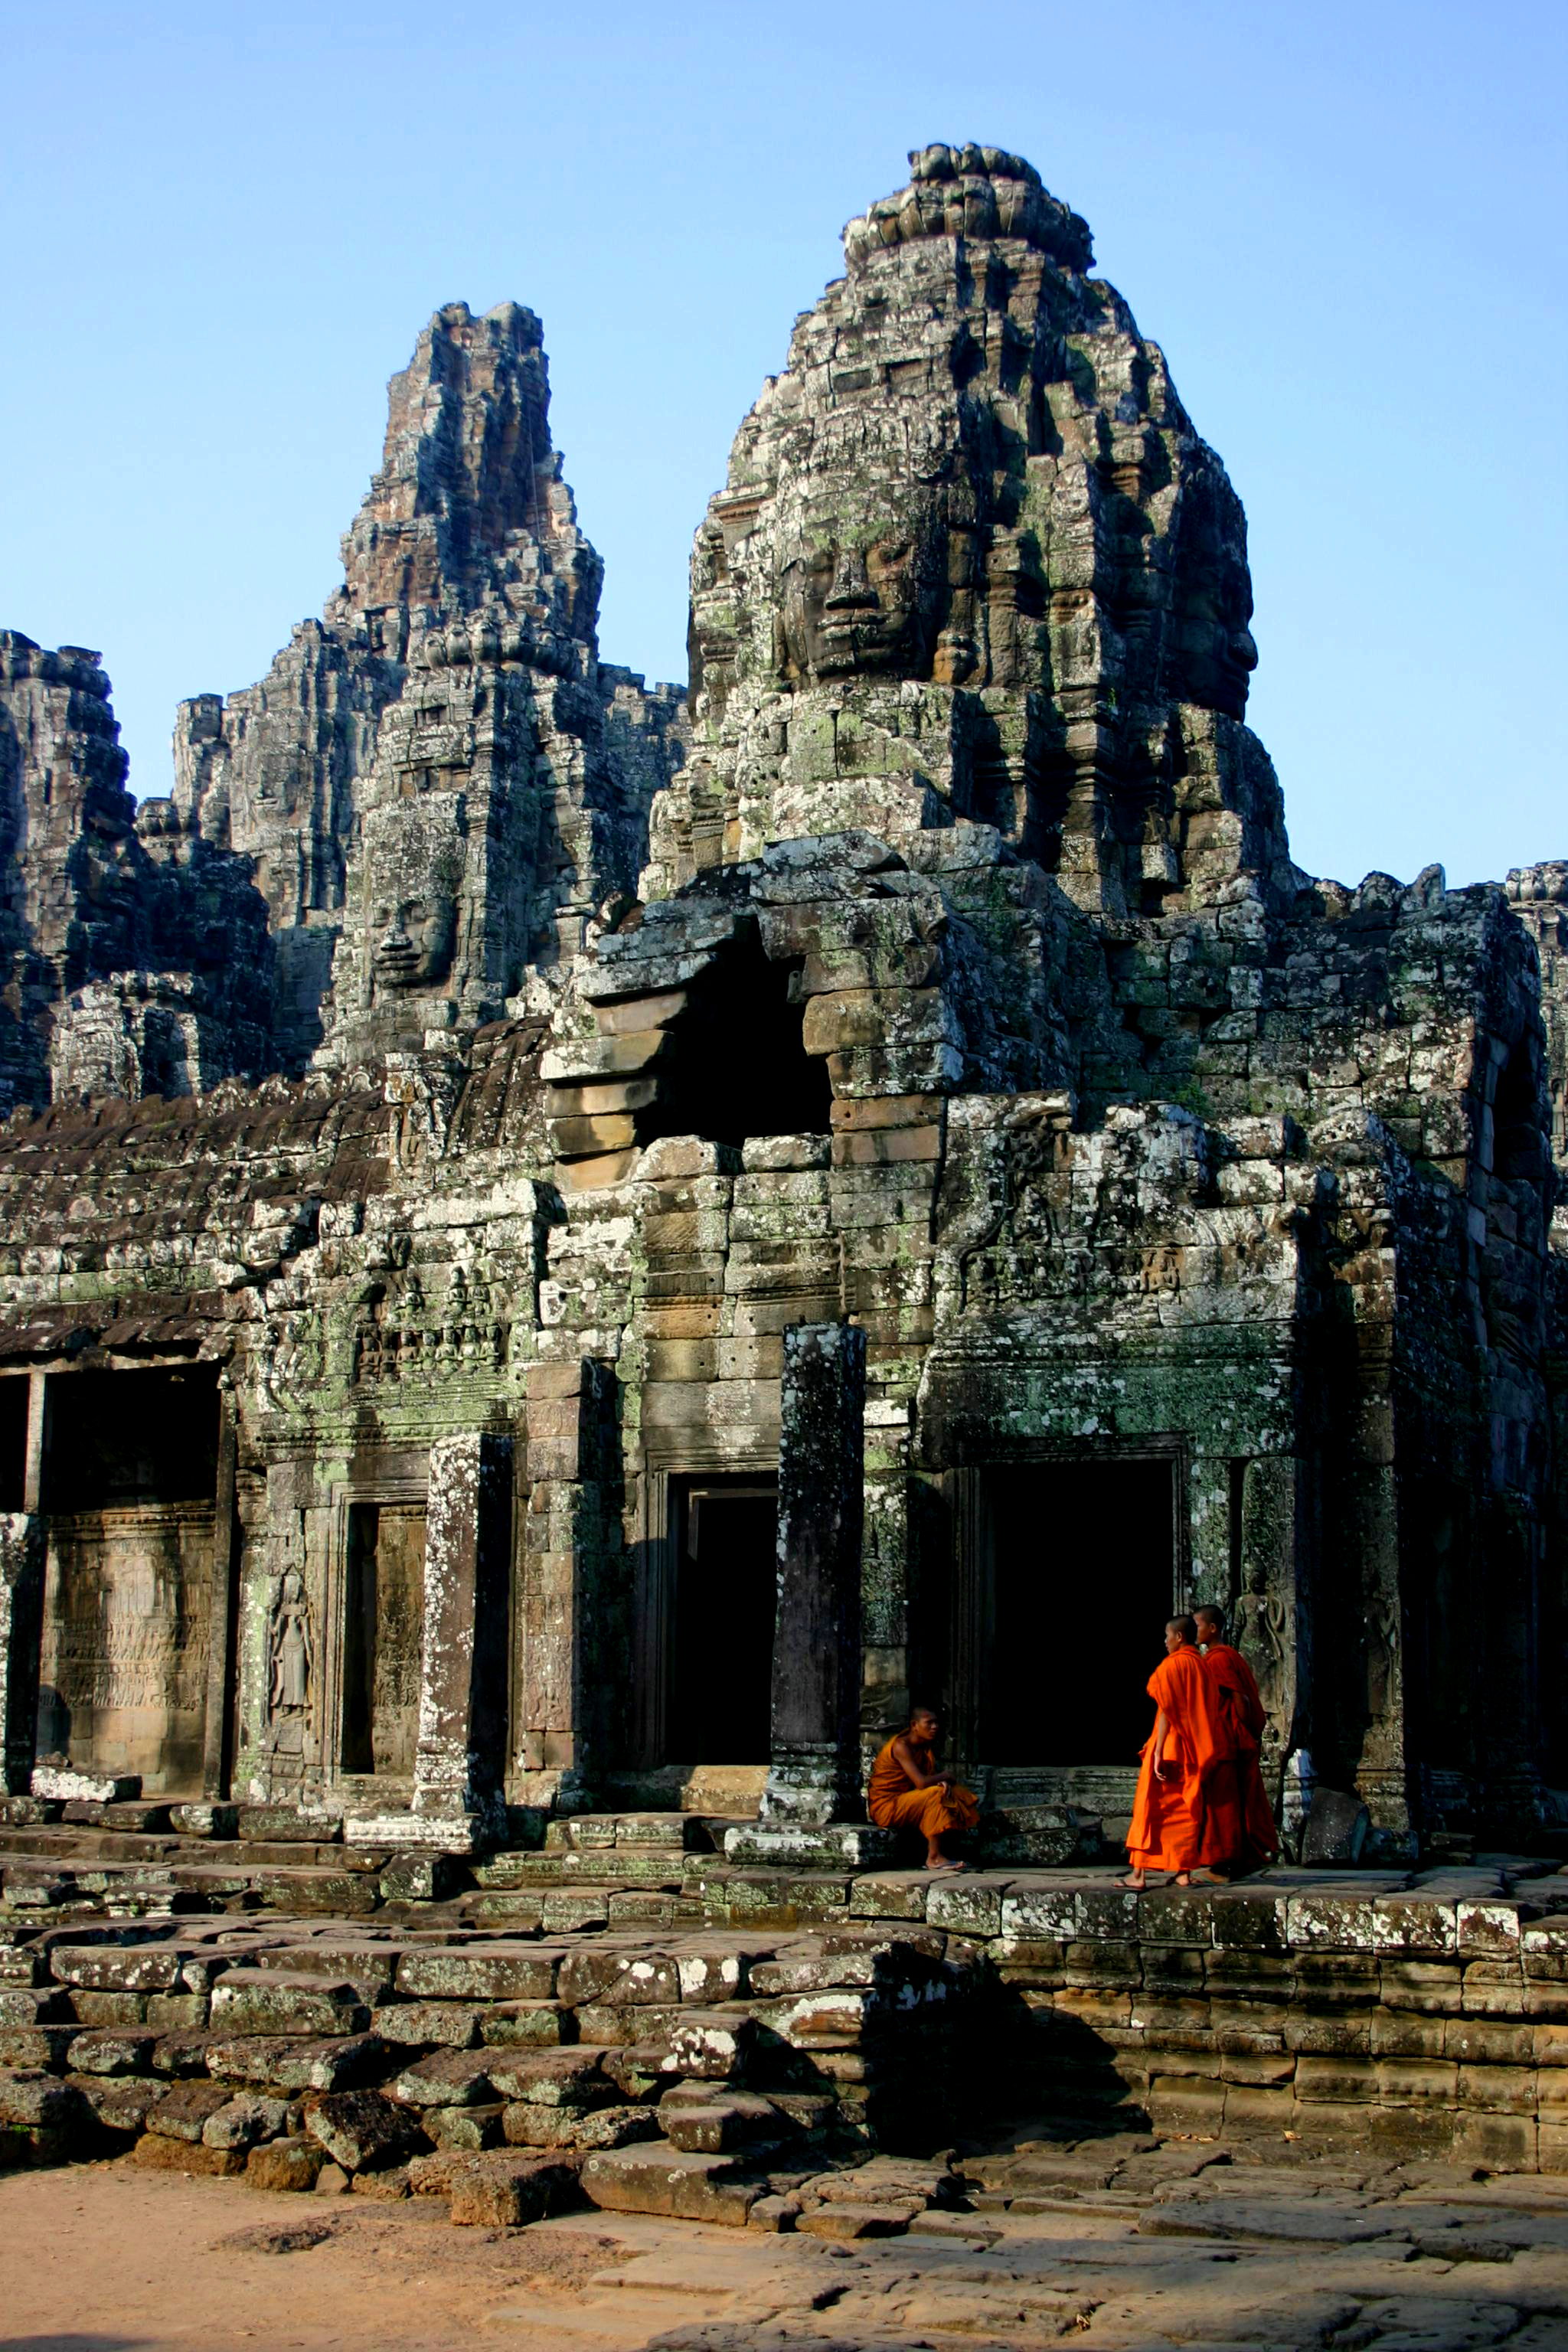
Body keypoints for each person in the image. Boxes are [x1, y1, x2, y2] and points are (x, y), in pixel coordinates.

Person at [1123, 1615, 1242, 1887]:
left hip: (1171, 1748)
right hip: (1197, 1749)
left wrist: (1157, 1752)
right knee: (1186, 1810)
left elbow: (1167, 1710)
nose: (1165, 1642)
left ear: (1178, 1637)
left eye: (1167, 1636)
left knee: (1151, 1807)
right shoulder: (1202, 1666)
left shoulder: (1173, 1666)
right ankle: (1183, 1872)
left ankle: (1138, 1875)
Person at [1195, 1604, 1279, 1868]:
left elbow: (1239, 1698)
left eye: (1197, 1625)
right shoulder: (1223, 1656)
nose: (1193, 1631)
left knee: (1226, 1804)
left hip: (1228, 1740)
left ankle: (1225, 1860)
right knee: (1237, 1801)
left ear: (1212, 1628)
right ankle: (1238, 1857)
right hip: (1228, 1738)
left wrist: (1241, 1730)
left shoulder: (1219, 1659)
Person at [867, 1705, 980, 1873]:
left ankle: (955, 1847)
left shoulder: (923, 1747)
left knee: (957, 1793)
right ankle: (934, 1857)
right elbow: (921, 1783)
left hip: (905, 1800)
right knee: (935, 1794)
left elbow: (922, 1780)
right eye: (929, 1723)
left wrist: (940, 1782)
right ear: (914, 1725)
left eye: (936, 1723)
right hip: (886, 1807)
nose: (935, 1727)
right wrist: (945, 1776)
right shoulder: (901, 1746)